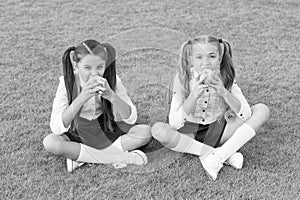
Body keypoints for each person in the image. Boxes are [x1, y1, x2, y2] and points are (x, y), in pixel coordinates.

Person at [151, 35, 270, 181]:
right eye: (199, 57)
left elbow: (245, 114)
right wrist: (194, 95)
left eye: (212, 56)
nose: (205, 63)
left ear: (219, 58)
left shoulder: (225, 76)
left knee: (262, 110)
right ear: (191, 59)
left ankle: (217, 156)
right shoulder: (182, 78)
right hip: (189, 133)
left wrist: (223, 92)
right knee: (159, 130)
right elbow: (174, 123)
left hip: (219, 131)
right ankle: (220, 154)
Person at [43, 39, 152, 172]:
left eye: (100, 67)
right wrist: (82, 97)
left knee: (145, 132)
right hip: (76, 132)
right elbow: (57, 126)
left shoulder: (112, 80)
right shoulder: (67, 83)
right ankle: (122, 157)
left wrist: (111, 95)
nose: (94, 73)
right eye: (87, 68)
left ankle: (81, 158)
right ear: (76, 65)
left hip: (105, 129)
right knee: (51, 142)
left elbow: (131, 117)